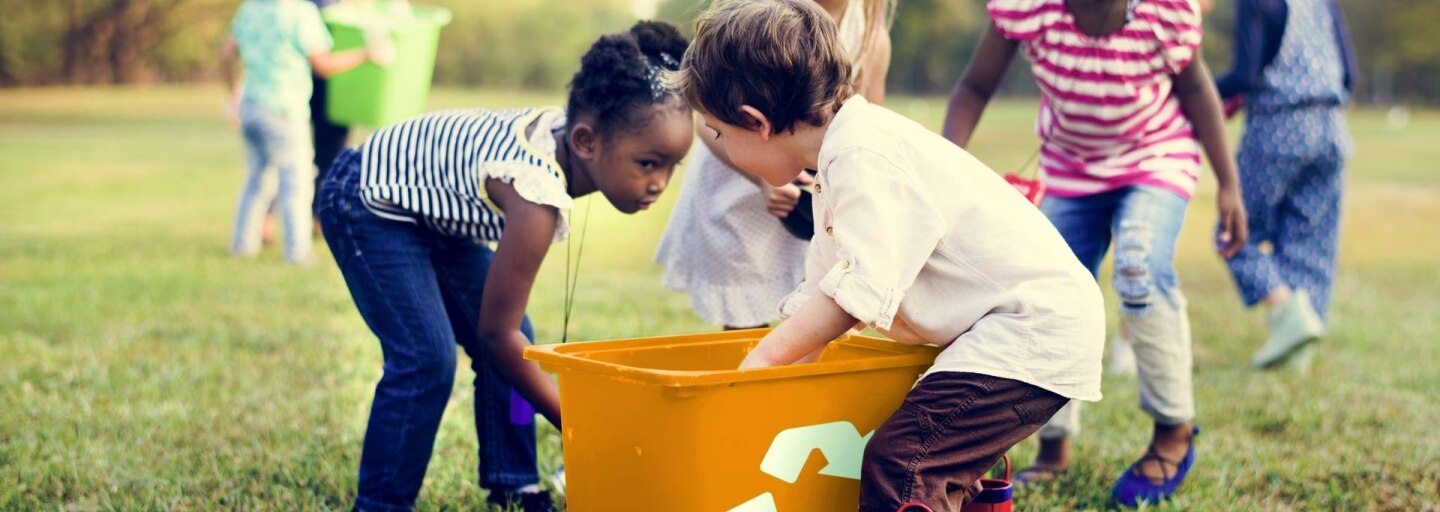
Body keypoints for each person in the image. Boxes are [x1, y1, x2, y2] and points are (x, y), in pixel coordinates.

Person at [677, 1, 1105, 509]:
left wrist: (763, 359)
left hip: (1031, 328)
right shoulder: (842, 157)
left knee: (905, 463)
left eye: (720, 132)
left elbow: (854, 297)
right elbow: (822, 295)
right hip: (1011, 330)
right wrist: (778, 386)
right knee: (932, 466)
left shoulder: (864, 156)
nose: (721, 143)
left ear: (757, 121)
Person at [314, 22, 692, 511]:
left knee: (520, 348)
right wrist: (576, 421)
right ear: (585, 141)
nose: (660, 182)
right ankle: (381, 504)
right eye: (648, 163)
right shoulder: (535, 196)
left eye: (672, 165)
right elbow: (496, 333)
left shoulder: (575, 136)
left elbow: (507, 337)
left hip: (433, 217)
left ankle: (515, 483)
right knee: (428, 359)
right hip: (368, 202)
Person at [940, 0, 1249, 506]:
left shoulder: (1161, 12)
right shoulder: (1030, 9)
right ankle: (1053, 444)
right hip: (1069, 169)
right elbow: (974, 87)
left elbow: (1196, 90)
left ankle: (1173, 431)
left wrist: (1229, 184)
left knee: (1138, 265)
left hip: (1155, 157)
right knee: (1047, 290)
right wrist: (945, 169)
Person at [654, 0, 893, 330]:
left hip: (811, 188)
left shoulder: (869, 38)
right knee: (745, 290)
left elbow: (862, 125)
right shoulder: (755, 15)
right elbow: (707, 121)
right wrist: (762, 181)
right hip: (738, 180)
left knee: (813, 292)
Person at [1213, 0, 1357, 371]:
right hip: (1332, 128)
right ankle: (1297, 356)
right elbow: (1349, 74)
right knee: (1310, 242)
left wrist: (1198, 91)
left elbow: (1245, 76)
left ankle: (1287, 313)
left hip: (1278, 127)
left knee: (1233, 232)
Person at [221, 0, 381, 264]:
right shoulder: (299, 13)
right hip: (284, 108)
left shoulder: (251, 8)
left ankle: (243, 246)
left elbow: (227, 53)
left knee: (257, 179)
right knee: (297, 181)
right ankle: (297, 253)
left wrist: (233, 91)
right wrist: (366, 54)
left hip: (250, 104)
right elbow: (323, 65)